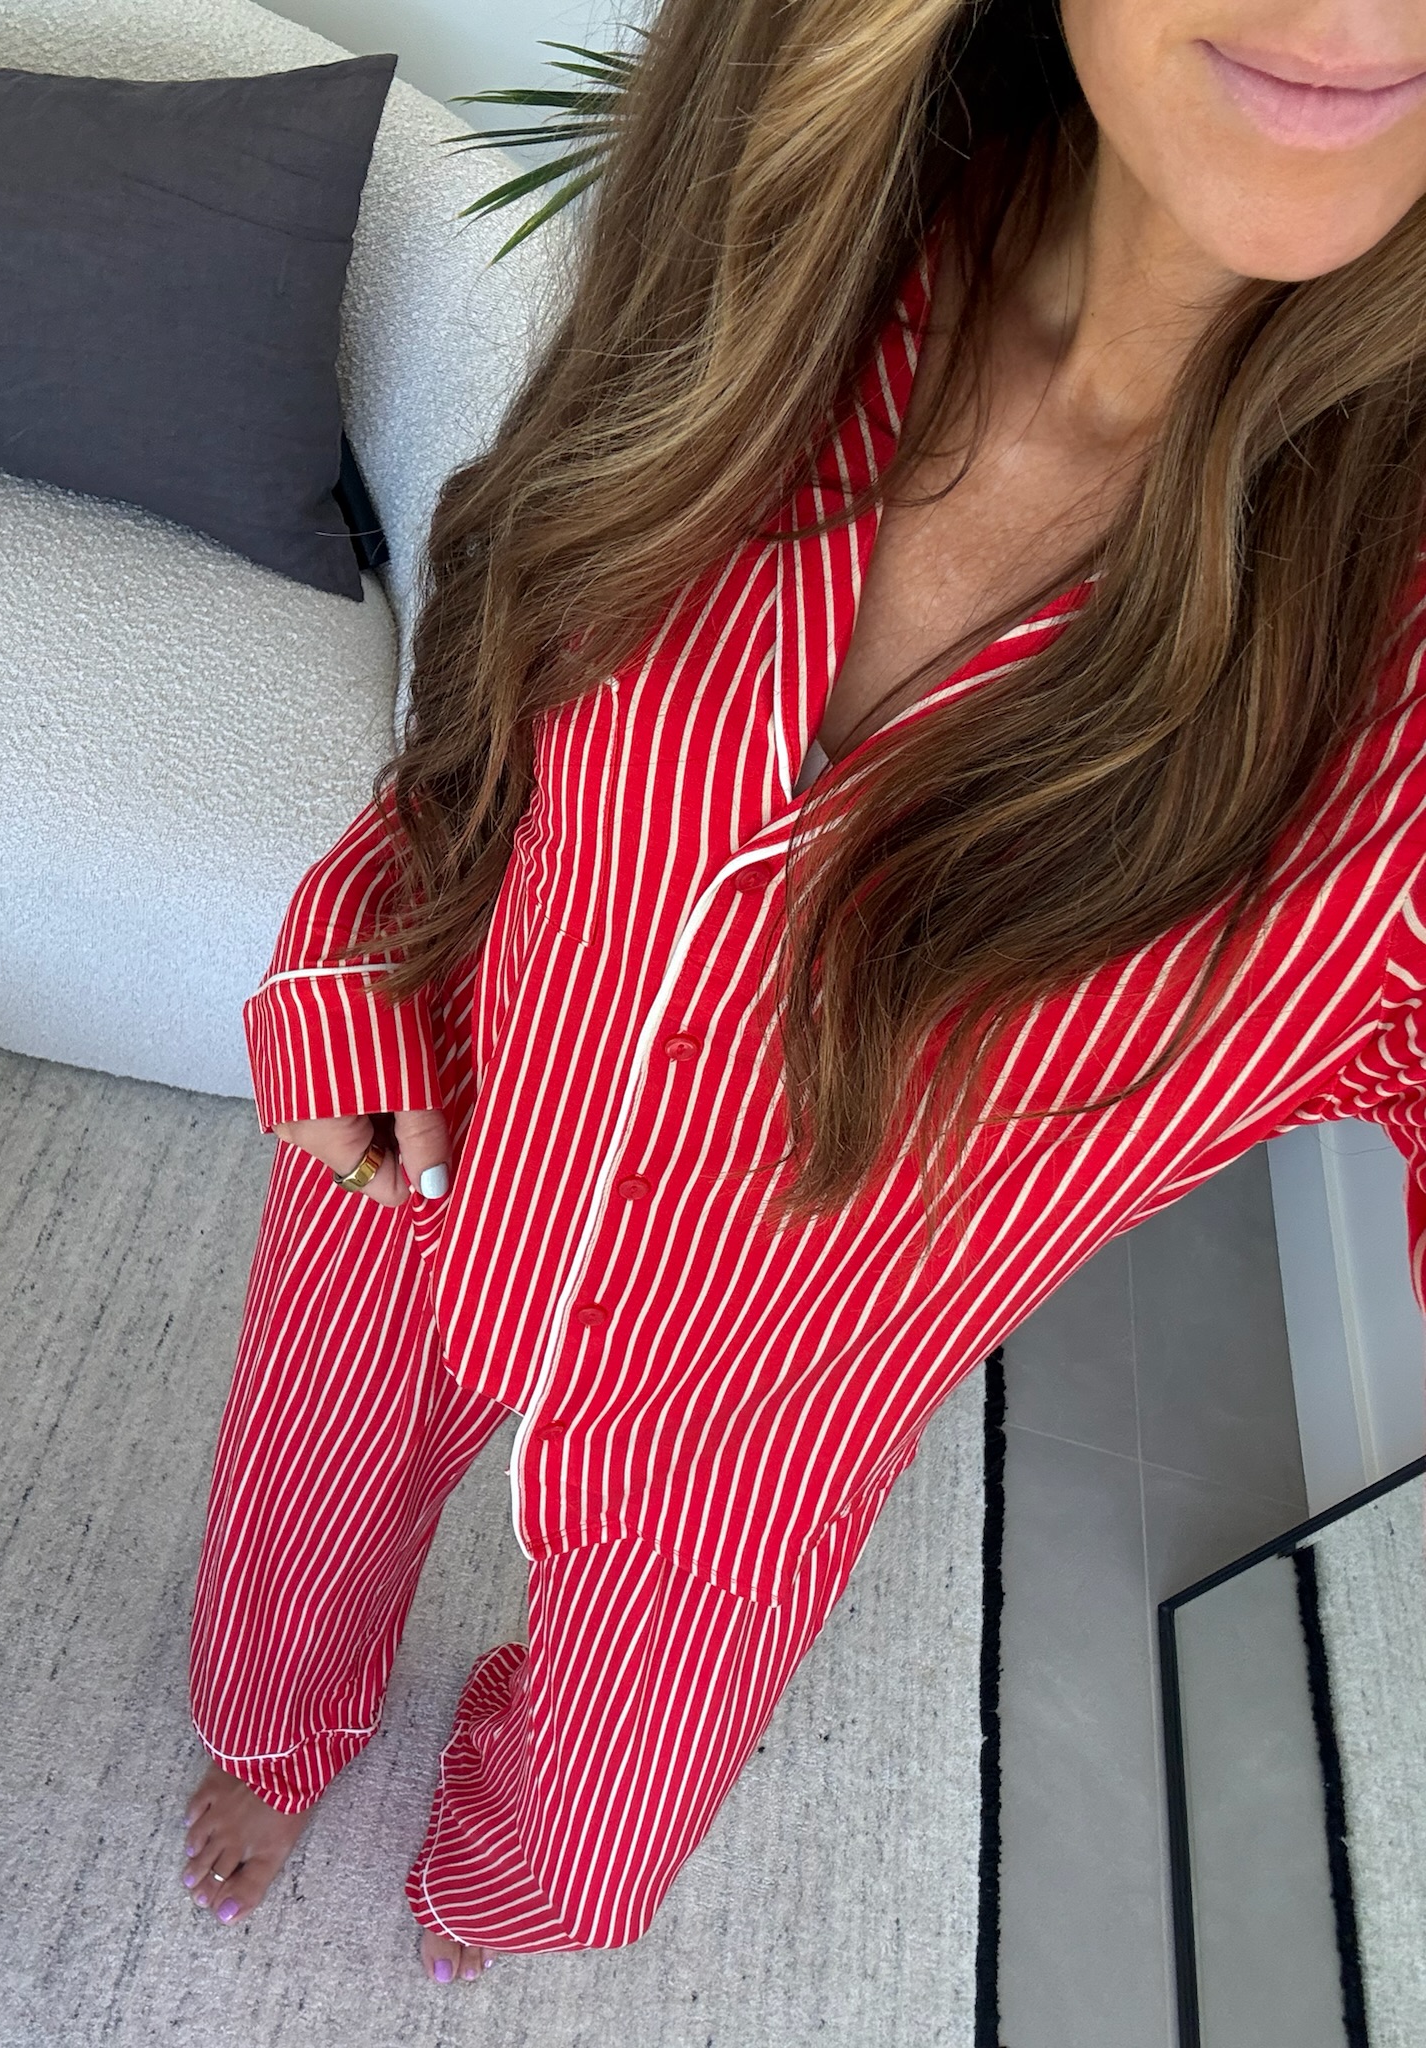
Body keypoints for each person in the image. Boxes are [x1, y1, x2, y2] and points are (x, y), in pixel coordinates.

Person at [180, 0, 1426, 1989]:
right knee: (288, 1550)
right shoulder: (785, 244)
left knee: (583, 1868)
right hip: (422, 1148)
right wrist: (345, 952)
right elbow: (497, 688)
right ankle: (278, 1735)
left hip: (749, 1439)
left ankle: (475, 1888)